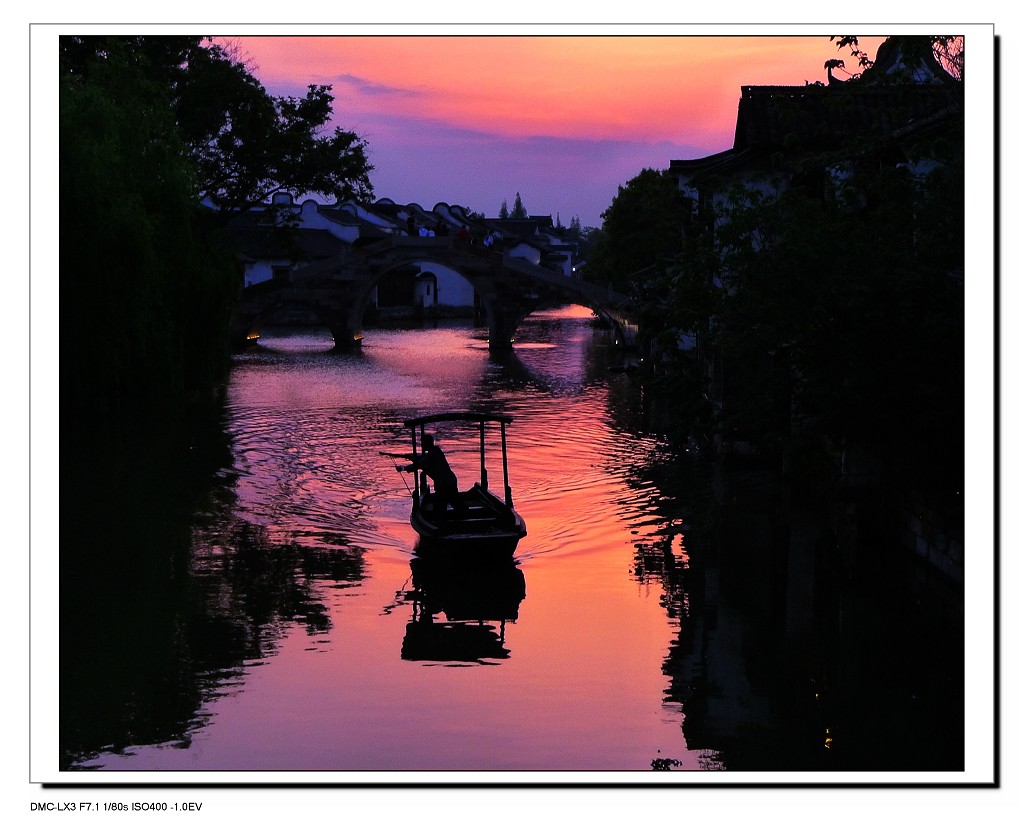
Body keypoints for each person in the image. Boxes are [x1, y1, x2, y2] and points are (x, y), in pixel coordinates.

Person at [405, 434, 465, 517]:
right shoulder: (434, 452)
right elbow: (423, 459)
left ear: (427, 443)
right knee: (449, 503)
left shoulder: (434, 452)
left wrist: (404, 468)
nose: (422, 445)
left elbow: (420, 463)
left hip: (446, 484)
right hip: (445, 482)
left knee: (445, 505)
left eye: (423, 443)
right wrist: (413, 457)